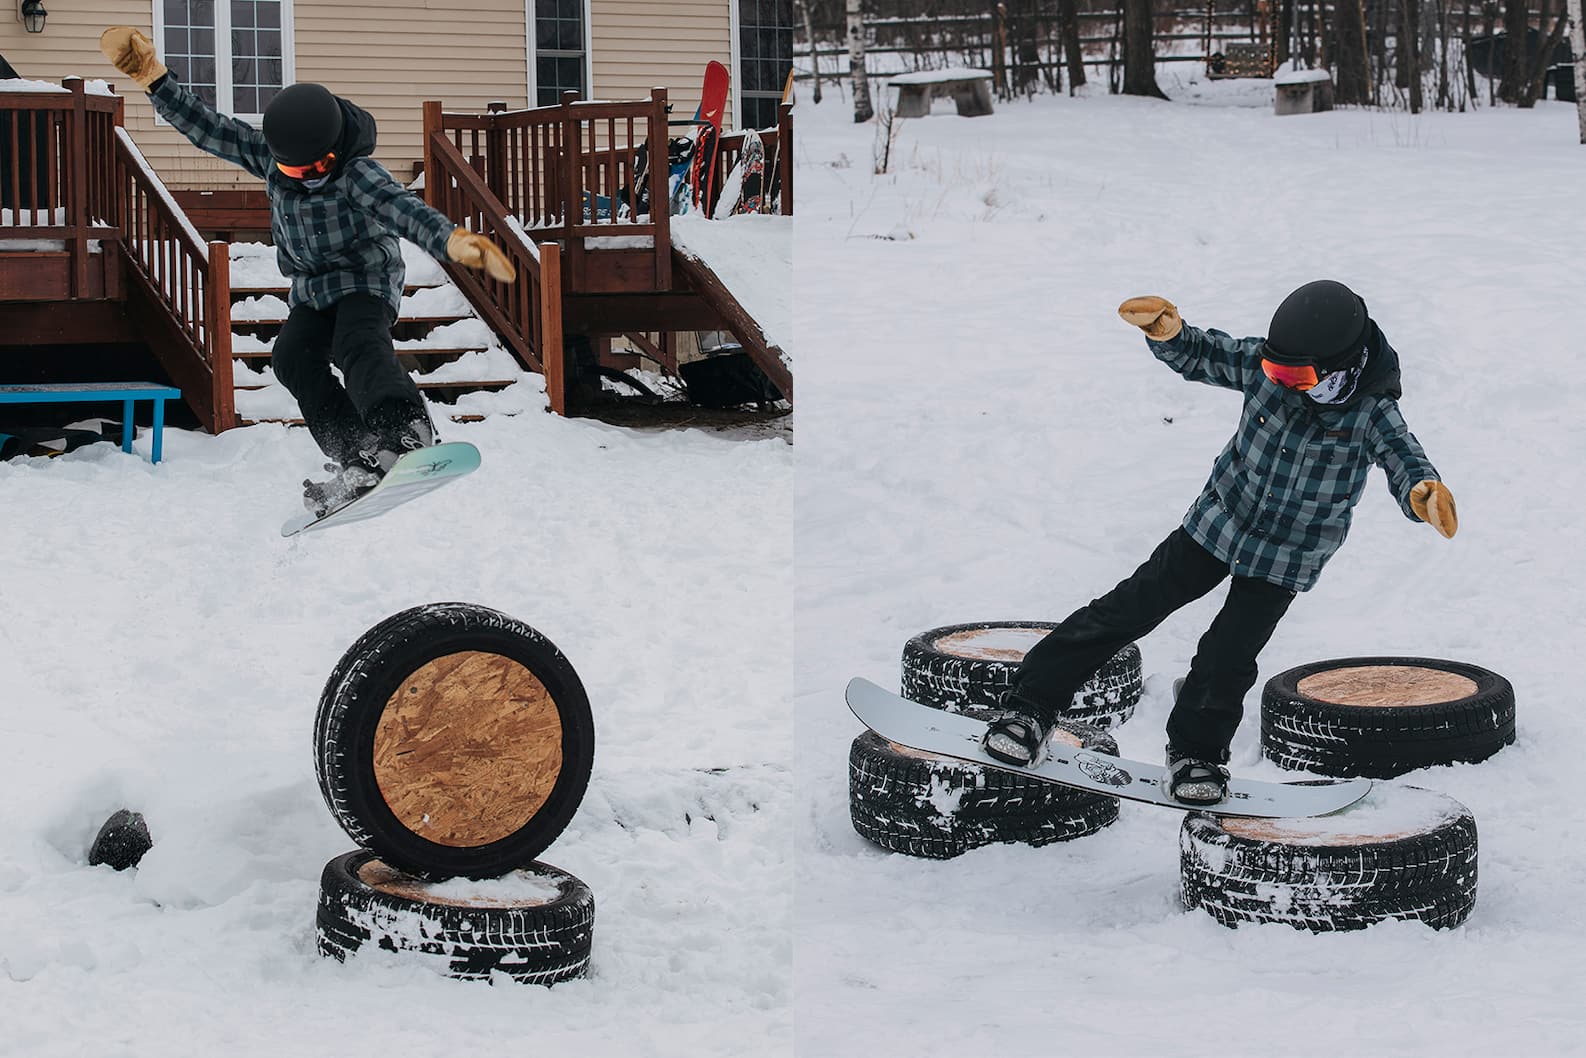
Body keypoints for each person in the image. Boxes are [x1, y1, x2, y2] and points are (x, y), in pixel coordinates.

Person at [984, 280, 1458, 805]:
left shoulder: (1371, 413)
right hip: (1217, 523)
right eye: (1277, 372)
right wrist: (1169, 333)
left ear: (1341, 367)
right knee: (1129, 608)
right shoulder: (1268, 371)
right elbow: (1208, 354)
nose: (1283, 383)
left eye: (1295, 376)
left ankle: (1197, 752)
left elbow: (1402, 455)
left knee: (1228, 655)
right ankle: (1031, 704)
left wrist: (1421, 491)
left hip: (1285, 554)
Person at [98, 26, 517, 515]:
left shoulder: (357, 172)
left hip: (365, 281)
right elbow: (210, 129)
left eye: (314, 170)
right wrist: (155, 80)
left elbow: (401, 208)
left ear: (334, 153)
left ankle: (406, 432)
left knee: (357, 344)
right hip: (314, 291)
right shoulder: (273, 161)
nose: (306, 180)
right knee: (291, 357)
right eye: (294, 173)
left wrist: (449, 239)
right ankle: (356, 453)